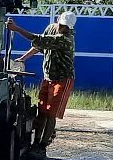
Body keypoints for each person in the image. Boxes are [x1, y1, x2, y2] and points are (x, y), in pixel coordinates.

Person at [6, 11, 77, 150]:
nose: (62, 28)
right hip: (48, 77)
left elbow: (37, 39)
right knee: (42, 110)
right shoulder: (51, 28)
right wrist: (23, 58)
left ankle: (42, 145)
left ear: (70, 29)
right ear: (58, 21)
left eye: (66, 27)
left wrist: (17, 28)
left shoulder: (66, 40)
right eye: (61, 25)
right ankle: (36, 141)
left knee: (51, 113)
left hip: (62, 79)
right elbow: (38, 46)